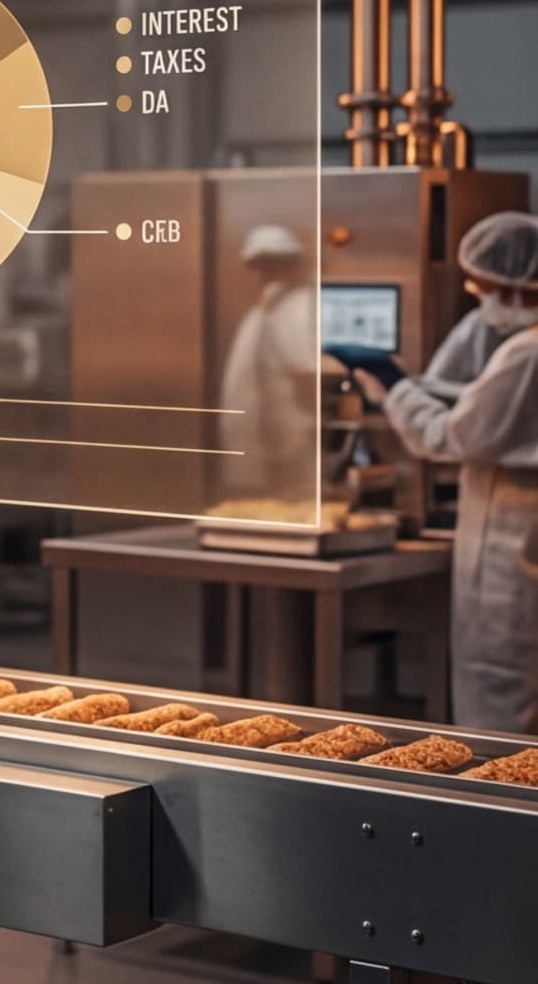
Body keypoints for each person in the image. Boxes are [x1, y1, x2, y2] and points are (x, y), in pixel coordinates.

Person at [343, 211, 538, 734]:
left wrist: (393, 386)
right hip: (518, 527)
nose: (483, 298)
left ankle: (502, 811)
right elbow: (491, 410)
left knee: (501, 695)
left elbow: (455, 437)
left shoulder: (527, 352)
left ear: (520, 288)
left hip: (510, 544)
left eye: (488, 288)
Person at [217, 223, 318, 498]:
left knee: (297, 496)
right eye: (260, 266)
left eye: (272, 265)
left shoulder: (299, 306)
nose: (265, 274)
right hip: (265, 433)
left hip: (293, 435)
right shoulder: (266, 309)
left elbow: (307, 368)